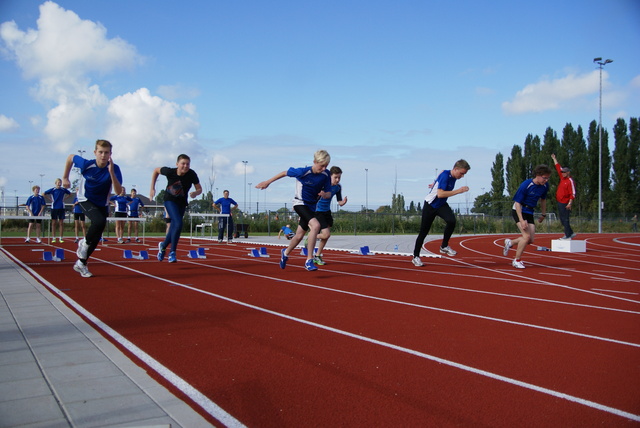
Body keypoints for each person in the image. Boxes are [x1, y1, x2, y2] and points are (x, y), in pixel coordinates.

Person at [256, 149, 332, 271]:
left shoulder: (326, 174)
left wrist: (324, 194)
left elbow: (329, 193)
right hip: (299, 203)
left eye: (326, 166)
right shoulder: (303, 172)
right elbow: (284, 173)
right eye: (322, 165)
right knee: (316, 225)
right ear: (314, 162)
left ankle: (285, 253)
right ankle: (309, 260)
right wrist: (267, 182)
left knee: (298, 236)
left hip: (312, 207)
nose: (323, 168)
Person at [62, 139, 123, 278]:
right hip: (85, 199)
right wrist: (65, 177)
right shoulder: (87, 164)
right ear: (95, 152)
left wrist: (111, 172)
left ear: (110, 154)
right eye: (100, 152)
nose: (103, 155)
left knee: (97, 236)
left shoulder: (115, 168)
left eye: (106, 153)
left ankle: (81, 263)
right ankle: (84, 242)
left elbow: (118, 191)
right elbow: (70, 157)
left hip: (102, 203)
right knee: (99, 221)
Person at [412, 159, 470, 266]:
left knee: (451, 220)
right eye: (461, 173)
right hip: (431, 205)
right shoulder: (445, 176)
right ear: (455, 169)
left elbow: (442, 171)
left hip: (441, 205)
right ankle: (416, 256)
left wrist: (434, 182)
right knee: (423, 232)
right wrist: (459, 191)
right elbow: (440, 194)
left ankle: (444, 246)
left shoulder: (449, 174)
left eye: (464, 174)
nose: (462, 176)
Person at [150, 154, 202, 263]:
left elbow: (199, 188)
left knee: (175, 226)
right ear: (177, 164)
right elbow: (156, 170)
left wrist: (196, 193)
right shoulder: (170, 172)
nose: (185, 166)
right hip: (169, 200)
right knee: (178, 223)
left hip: (182, 202)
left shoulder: (191, 174)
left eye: (187, 164)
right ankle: (172, 252)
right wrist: (152, 188)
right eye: (183, 163)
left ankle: (163, 245)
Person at [503, 164, 551, 269]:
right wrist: (521, 219)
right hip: (519, 210)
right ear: (538, 175)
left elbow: (543, 200)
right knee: (526, 237)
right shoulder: (526, 185)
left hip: (529, 211)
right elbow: (517, 203)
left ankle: (510, 242)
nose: (546, 180)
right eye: (544, 178)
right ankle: (517, 260)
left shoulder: (544, 186)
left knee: (530, 240)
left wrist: (543, 214)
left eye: (548, 178)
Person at [313, 166, 348, 265]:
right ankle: (312, 236)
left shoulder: (338, 187)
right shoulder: (323, 185)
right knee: (326, 234)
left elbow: (339, 202)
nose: (337, 180)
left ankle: (318, 256)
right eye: (335, 177)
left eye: (339, 178)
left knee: (326, 236)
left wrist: (343, 202)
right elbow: (313, 197)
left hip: (327, 212)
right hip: (318, 211)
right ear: (330, 176)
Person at [551, 154, 577, 240]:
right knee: (562, 219)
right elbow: (558, 167)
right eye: (562, 172)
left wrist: (570, 203)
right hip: (560, 202)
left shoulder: (570, 181)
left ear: (568, 172)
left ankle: (568, 235)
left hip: (565, 203)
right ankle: (571, 232)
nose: (562, 173)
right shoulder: (562, 178)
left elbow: (572, 194)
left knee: (565, 219)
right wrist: (554, 158)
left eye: (564, 172)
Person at [44, 178, 71, 243]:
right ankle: (53, 237)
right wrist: (50, 199)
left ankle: (61, 237)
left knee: (61, 223)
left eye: (60, 182)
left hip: (61, 207)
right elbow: (43, 193)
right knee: (53, 223)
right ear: (56, 183)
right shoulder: (53, 190)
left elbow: (70, 194)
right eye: (58, 182)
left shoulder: (63, 190)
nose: (59, 183)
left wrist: (64, 199)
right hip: (54, 207)